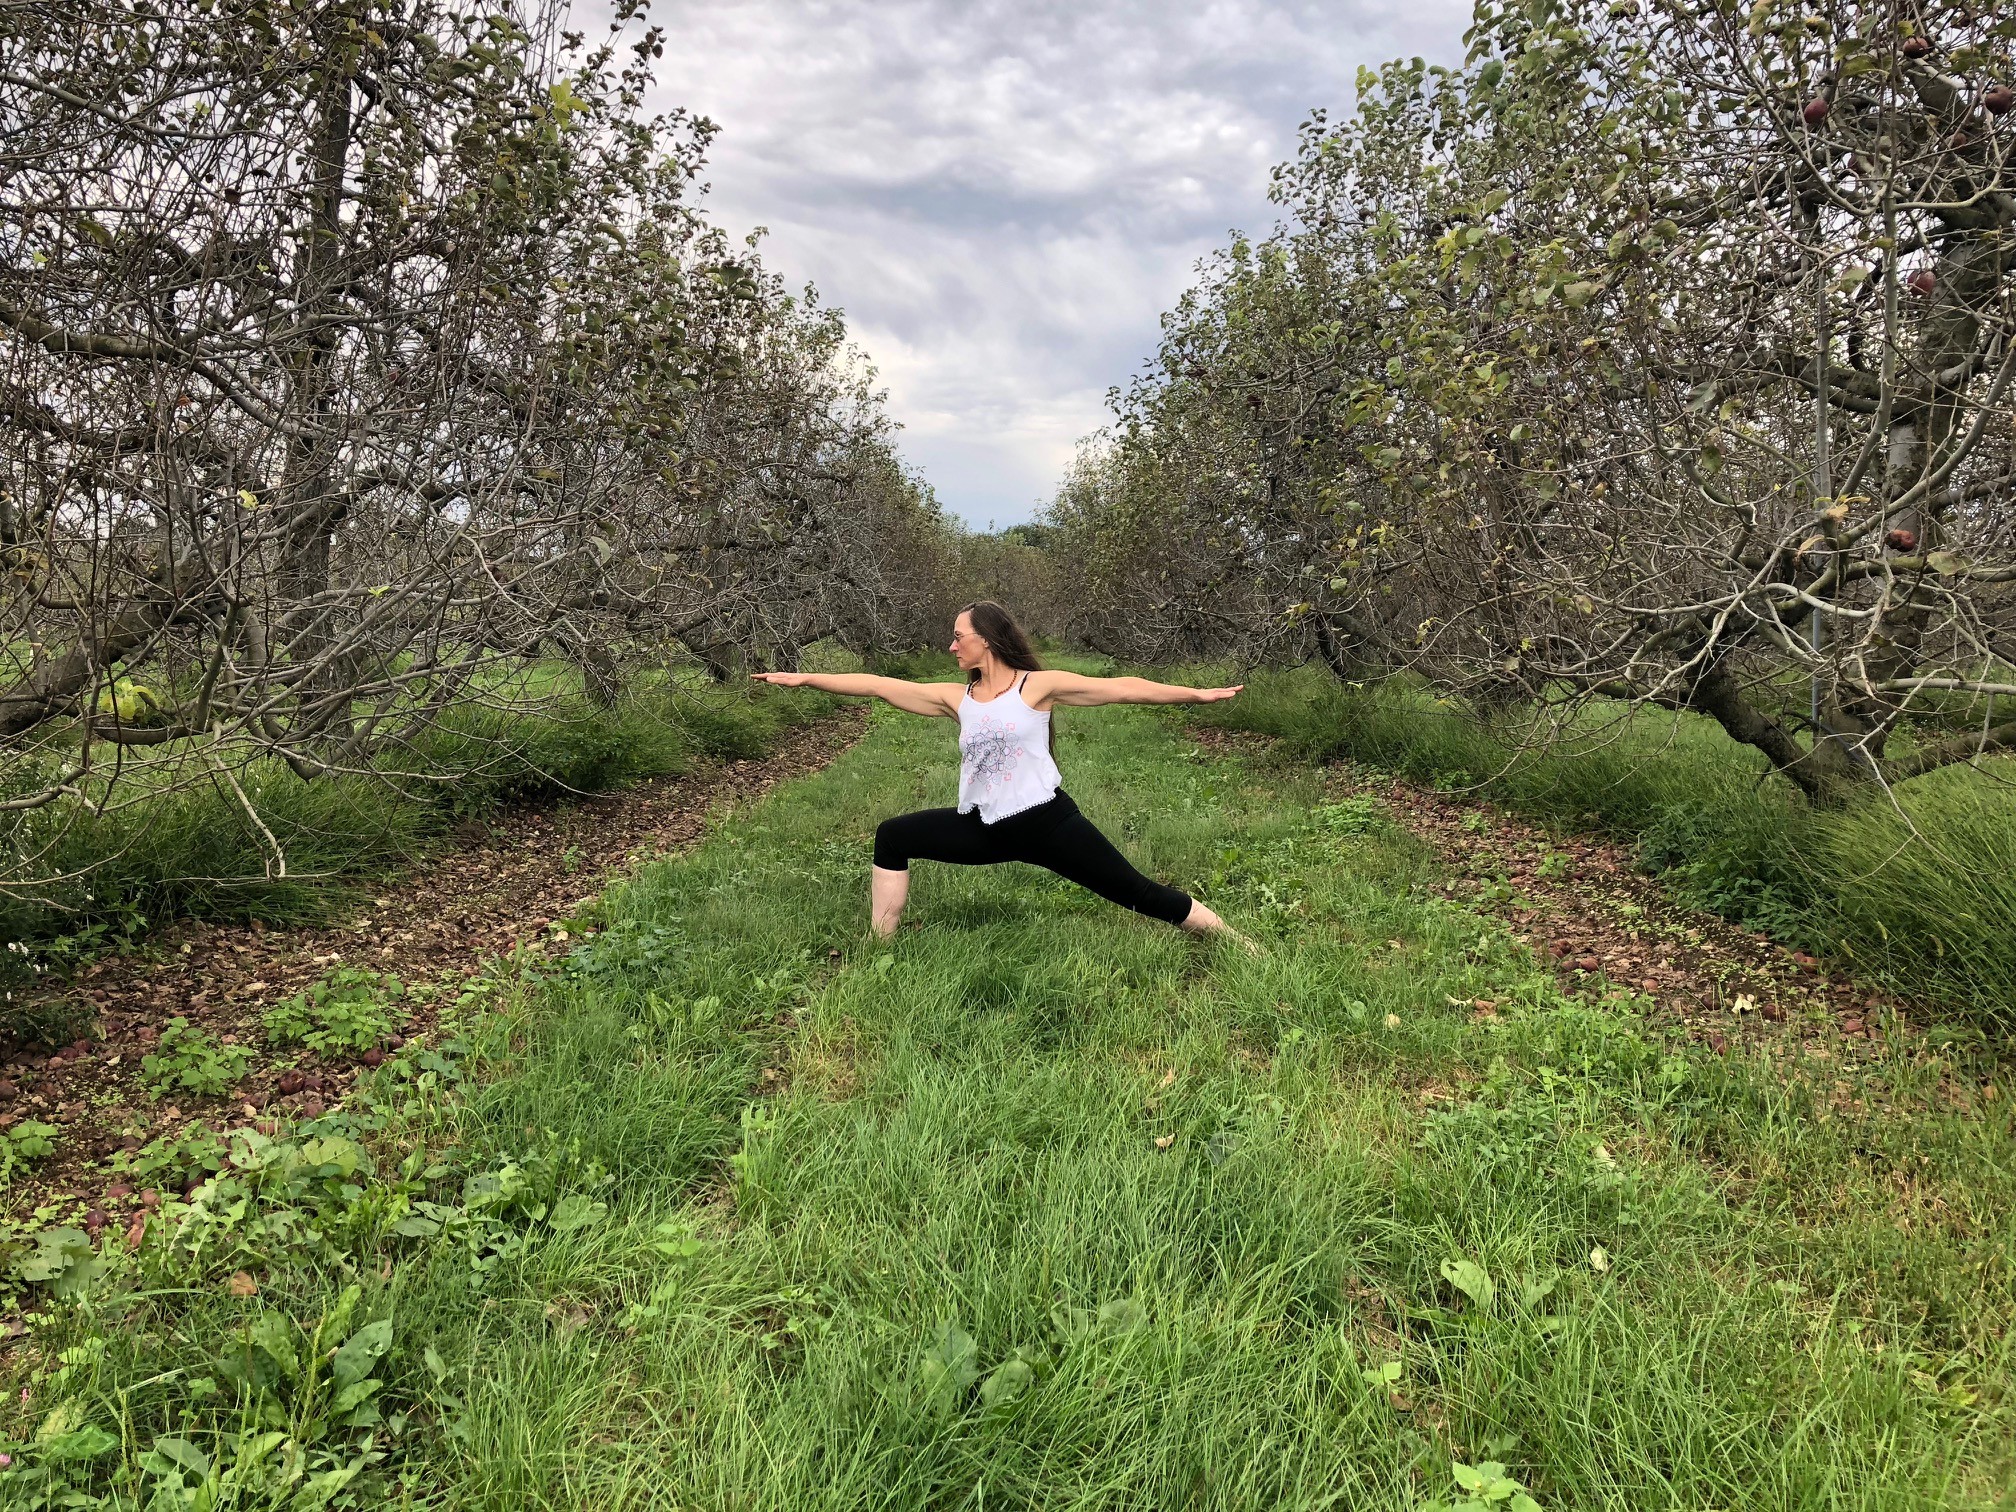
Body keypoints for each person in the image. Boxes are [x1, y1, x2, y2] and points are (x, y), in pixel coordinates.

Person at [751, 601, 1245, 941]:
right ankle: (878, 948)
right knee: (892, 837)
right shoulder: (956, 698)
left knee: (1137, 892)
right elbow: (879, 685)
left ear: (985, 640)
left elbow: (1124, 687)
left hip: (1048, 824)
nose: (951, 646)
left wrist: (1196, 695)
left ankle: (1239, 943)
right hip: (985, 828)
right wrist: (807, 678)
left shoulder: (1037, 686)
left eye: (958, 637)